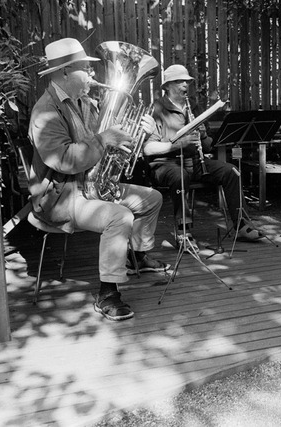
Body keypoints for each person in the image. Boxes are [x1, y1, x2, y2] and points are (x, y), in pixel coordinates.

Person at [28, 38, 169, 321]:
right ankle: (107, 292)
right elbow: (65, 160)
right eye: (85, 68)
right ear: (65, 72)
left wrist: (137, 135)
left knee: (152, 198)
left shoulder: (84, 104)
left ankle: (137, 256)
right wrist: (104, 139)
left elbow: (103, 145)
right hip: (61, 196)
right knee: (120, 216)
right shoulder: (45, 112)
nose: (92, 74)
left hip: (89, 185)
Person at [144, 64, 263, 244]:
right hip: (167, 164)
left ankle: (242, 226)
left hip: (195, 162)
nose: (185, 85)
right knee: (180, 176)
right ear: (167, 86)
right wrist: (176, 145)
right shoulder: (157, 108)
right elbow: (148, 148)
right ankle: (183, 232)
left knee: (232, 172)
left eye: (187, 81)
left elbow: (208, 147)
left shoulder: (194, 107)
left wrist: (204, 135)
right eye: (179, 81)